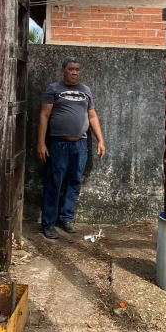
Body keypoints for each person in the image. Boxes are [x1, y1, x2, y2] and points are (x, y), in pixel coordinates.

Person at [37, 57, 106, 239]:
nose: (75, 72)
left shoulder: (85, 91)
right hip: (58, 144)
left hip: (80, 144)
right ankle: (49, 223)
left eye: (77, 69)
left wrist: (100, 140)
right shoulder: (54, 89)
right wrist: (41, 143)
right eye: (71, 69)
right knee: (54, 182)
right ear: (63, 70)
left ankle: (65, 218)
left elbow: (92, 117)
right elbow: (44, 116)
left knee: (75, 181)